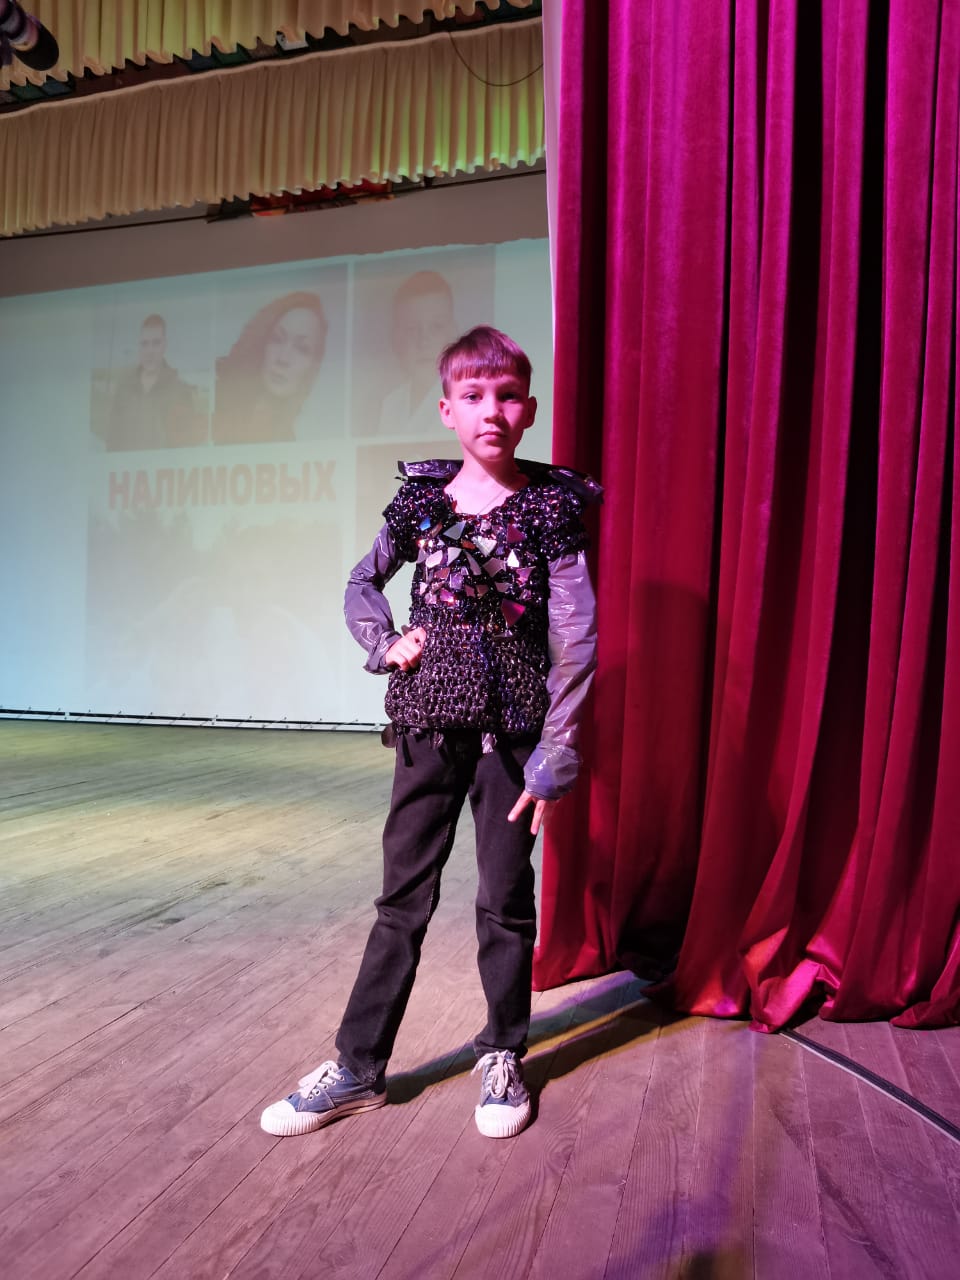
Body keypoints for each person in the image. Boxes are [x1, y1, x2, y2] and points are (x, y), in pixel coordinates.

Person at [261, 326, 601, 1140]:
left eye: (508, 396)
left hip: (511, 737)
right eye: (474, 397)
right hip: (425, 727)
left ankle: (502, 1052)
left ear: (529, 409)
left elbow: (576, 635)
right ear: (448, 410)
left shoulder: (551, 508)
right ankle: (358, 1068)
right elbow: (362, 581)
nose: (493, 412)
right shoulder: (420, 503)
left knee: (504, 901)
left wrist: (556, 751)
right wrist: (383, 642)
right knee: (401, 901)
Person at [212, 291, 327, 444]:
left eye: (302, 349)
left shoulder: (290, 444)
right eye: (277, 339)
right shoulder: (211, 405)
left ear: (313, 367)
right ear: (261, 344)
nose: (283, 359)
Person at [102, 314, 206, 451]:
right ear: (139, 346)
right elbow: (112, 439)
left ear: (164, 345)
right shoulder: (123, 386)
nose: (149, 351)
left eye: (156, 343)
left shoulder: (181, 392)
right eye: (144, 344)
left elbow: (185, 447)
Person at [374, 270, 457, 436]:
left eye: (436, 327)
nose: (423, 342)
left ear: (452, 334)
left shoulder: (463, 403)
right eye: (412, 329)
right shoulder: (390, 403)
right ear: (396, 339)